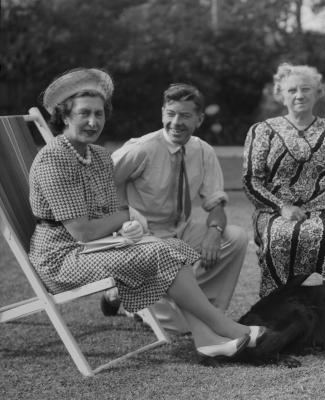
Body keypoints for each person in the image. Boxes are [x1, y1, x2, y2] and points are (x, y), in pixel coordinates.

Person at [29, 68, 262, 359]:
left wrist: (128, 225)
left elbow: (110, 210)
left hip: (98, 247)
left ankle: (205, 338)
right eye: (84, 114)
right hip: (62, 257)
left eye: (99, 114)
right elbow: (83, 231)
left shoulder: (98, 155)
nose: (93, 122)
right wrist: (129, 217)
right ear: (64, 115)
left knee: (170, 248)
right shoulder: (54, 159)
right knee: (163, 252)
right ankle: (225, 327)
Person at [110, 83, 249, 335]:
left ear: (199, 119)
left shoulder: (203, 151)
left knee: (235, 238)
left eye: (185, 115)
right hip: (143, 239)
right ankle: (130, 299)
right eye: (170, 114)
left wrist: (215, 231)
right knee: (180, 327)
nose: (176, 122)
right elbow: (103, 181)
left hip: (179, 233)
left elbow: (216, 202)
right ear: (162, 113)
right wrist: (124, 217)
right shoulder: (142, 148)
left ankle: (207, 306)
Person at [243, 63, 325, 297]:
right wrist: (282, 207)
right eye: (291, 90)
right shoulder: (262, 130)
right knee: (278, 236)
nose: (299, 95)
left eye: (306, 89)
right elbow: (251, 181)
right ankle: (275, 310)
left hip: (323, 212)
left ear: (318, 92)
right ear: (280, 95)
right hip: (274, 212)